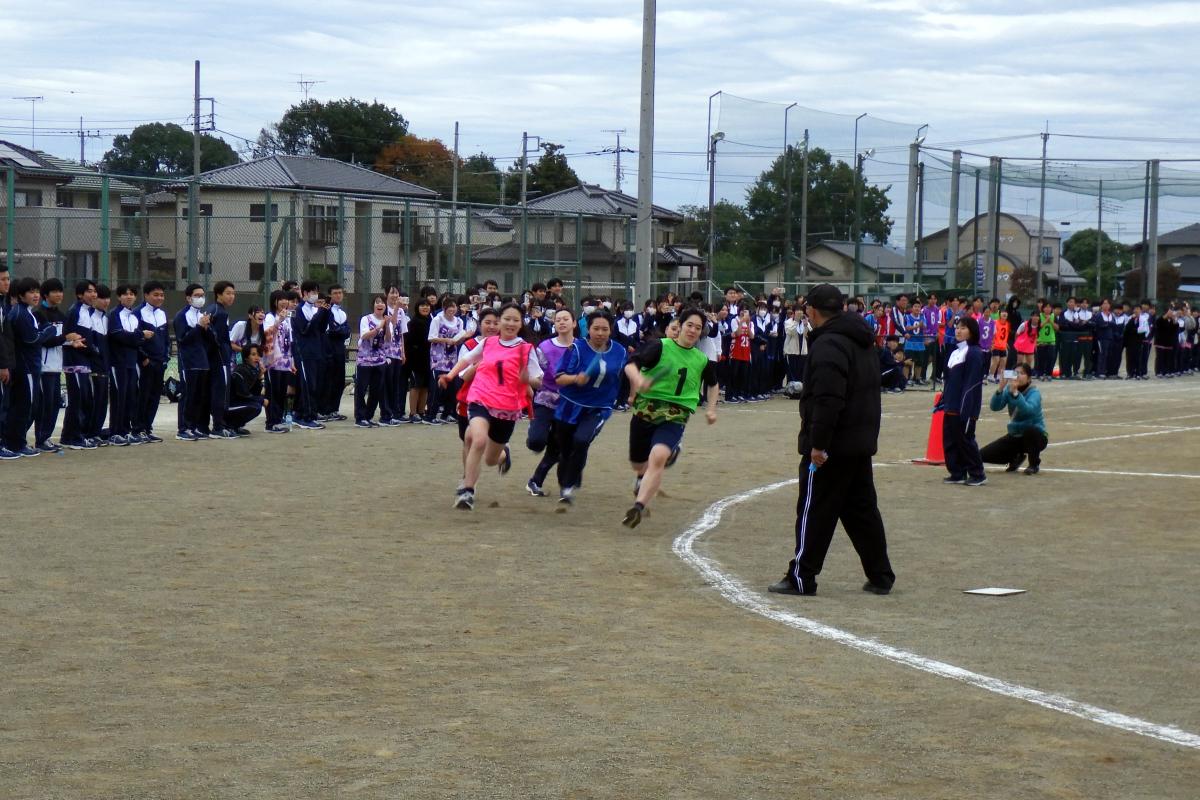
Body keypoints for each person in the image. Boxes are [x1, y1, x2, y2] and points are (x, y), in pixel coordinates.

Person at [766, 284, 893, 597]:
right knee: (862, 510)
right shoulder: (862, 340)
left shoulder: (828, 345)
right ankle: (881, 575)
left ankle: (801, 577)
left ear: (811, 310)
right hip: (859, 442)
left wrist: (818, 444)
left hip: (833, 445)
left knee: (814, 509)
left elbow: (827, 399)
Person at [438, 303, 543, 510]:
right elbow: (468, 360)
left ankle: (503, 453)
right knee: (477, 439)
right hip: (481, 399)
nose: (510, 323)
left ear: (521, 323)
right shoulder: (488, 343)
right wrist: (449, 376)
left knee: (491, 460)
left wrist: (528, 379)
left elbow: (539, 381)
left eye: (515, 320)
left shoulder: (525, 349)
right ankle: (467, 491)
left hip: (507, 408)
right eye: (507, 319)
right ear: (500, 320)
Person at [621, 307, 718, 529]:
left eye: (698, 328)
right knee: (638, 463)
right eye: (689, 325)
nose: (693, 330)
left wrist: (712, 409)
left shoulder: (701, 359)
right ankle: (642, 475)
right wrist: (639, 380)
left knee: (658, 457)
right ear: (681, 326)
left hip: (675, 414)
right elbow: (631, 365)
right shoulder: (660, 347)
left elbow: (713, 384)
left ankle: (638, 507)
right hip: (645, 410)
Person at [550, 308, 627, 508]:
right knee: (566, 450)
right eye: (596, 328)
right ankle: (570, 474)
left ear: (611, 330)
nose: (600, 333)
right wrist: (576, 378)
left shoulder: (619, 351)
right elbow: (559, 378)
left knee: (582, 440)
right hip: (569, 405)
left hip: (599, 407)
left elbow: (626, 373)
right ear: (588, 329)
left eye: (605, 329)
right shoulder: (576, 348)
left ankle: (567, 488)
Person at [3, 277, 62, 456]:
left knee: (27, 405)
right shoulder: (21, 313)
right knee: (25, 405)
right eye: (31, 292)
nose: (35, 295)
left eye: (36, 291)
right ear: (21, 295)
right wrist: (49, 330)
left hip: (29, 366)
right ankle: (16, 443)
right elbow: (32, 339)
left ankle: (15, 441)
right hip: (26, 367)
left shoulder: (25, 312)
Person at [526, 308, 575, 497]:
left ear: (573, 323)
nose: (562, 322)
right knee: (537, 442)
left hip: (569, 404)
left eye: (566, 319)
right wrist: (532, 383)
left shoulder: (580, 347)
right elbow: (534, 372)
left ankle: (535, 481)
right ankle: (535, 434)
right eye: (558, 320)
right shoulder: (545, 347)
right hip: (545, 399)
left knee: (558, 448)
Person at [940, 315, 987, 486]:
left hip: (964, 407)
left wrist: (966, 409)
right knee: (951, 441)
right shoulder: (954, 352)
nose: (958, 331)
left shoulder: (974, 352)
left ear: (972, 331)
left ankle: (977, 473)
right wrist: (944, 400)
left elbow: (971, 384)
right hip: (951, 405)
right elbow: (950, 381)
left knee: (966, 440)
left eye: (963, 328)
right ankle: (957, 472)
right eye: (957, 327)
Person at [980, 363, 1046, 475]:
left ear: (1029, 378)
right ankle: (1016, 457)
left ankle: (1034, 464)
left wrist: (1016, 393)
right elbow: (995, 407)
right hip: (1015, 435)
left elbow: (1028, 411)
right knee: (980, 455)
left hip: (1035, 436)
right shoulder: (1008, 389)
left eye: (1022, 373)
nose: (1018, 376)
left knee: (1032, 431)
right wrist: (1000, 388)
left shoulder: (1034, 393)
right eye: (1016, 373)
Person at [173, 284, 214, 441]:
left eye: (202, 295)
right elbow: (183, 339)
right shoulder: (181, 316)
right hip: (188, 361)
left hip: (202, 361)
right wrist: (198, 326)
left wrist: (206, 327)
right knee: (188, 395)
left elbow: (210, 339)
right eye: (197, 295)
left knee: (199, 396)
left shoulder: (202, 314)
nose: (200, 298)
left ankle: (193, 427)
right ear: (188, 298)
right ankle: (182, 428)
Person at [290, 280, 330, 429]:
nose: (315, 295)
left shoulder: (314, 309)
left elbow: (320, 329)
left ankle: (300, 413)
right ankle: (307, 417)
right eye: (312, 292)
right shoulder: (298, 310)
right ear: (305, 293)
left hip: (316, 351)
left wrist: (325, 312)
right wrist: (319, 313)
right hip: (304, 353)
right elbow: (305, 330)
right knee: (308, 385)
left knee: (314, 384)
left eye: (316, 292)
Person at [134, 281, 169, 443]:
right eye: (155, 295)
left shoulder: (162, 314)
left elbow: (166, 339)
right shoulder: (137, 313)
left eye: (161, 295)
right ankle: (138, 428)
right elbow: (136, 339)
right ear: (146, 295)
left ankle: (147, 427)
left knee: (155, 396)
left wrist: (165, 357)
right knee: (143, 395)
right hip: (146, 363)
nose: (159, 298)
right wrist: (143, 358)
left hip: (160, 362)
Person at [354, 296, 391, 427]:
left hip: (380, 359)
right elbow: (364, 335)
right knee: (361, 389)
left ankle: (368, 416)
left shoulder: (386, 320)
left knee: (376, 390)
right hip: (365, 360)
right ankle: (360, 417)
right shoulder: (366, 319)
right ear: (373, 305)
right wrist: (380, 326)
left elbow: (388, 339)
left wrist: (387, 326)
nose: (380, 305)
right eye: (377, 302)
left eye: (382, 302)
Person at [206, 281, 237, 438]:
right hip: (219, 358)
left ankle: (221, 424)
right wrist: (222, 353)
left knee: (219, 391)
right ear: (218, 294)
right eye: (228, 293)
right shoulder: (219, 312)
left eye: (233, 293)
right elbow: (215, 338)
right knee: (220, 392)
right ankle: (218, 426)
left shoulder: (217, 310)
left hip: (219, 357)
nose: (232, 296)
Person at [321, 285, 350, 422]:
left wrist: (338, 330)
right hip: (328, 349)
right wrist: (339, 330)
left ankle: (334, 409)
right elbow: (330, 330)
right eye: (335, 293)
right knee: (328, 380)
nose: (338, 295)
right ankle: (324, 410)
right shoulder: (326, 311)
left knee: (339, 380)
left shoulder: (343, 313)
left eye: (340, 293)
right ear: (330, 295)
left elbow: (346, 332)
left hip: (340, 350)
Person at [226, 343, 266, 434]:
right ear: (246, 357)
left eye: (258, 354)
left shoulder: (252, 370)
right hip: (229, 405)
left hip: (238, 403)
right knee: (256, 406)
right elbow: (243, 394)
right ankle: (229, 425)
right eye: (253, 354)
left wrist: (259, 377)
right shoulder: (241, 370)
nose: (257, 357)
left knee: (256, 405)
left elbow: (254, 393)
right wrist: (262, 400)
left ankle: (236, 426)